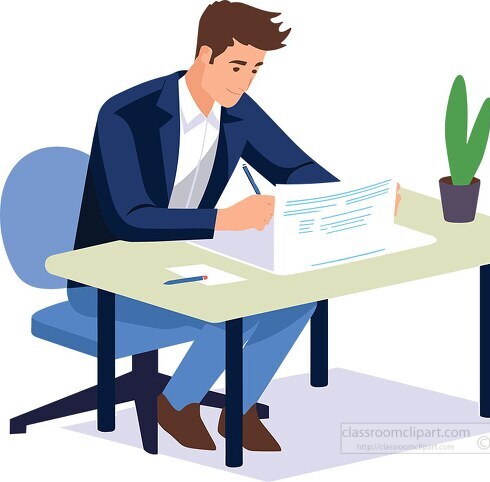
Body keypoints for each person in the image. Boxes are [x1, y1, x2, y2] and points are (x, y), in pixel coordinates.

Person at [68, 0, 402, 452]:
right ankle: (179, 404)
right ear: (203, 55)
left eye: (254, 71)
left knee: (298, 297)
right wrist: (226, 220)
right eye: (236, 66)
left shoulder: (239, 111)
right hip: (109, 276)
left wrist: (357, 198)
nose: (244, 82)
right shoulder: (126, 114)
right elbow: (130, 218)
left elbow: (294, 167)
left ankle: (239, 408)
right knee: (241, 300)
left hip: (186, 256)